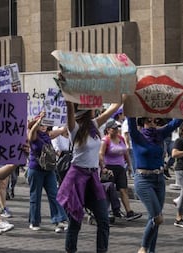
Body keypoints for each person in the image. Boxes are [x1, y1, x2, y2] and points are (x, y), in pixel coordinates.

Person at [57, 100, 122, 253]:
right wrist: (67, 91)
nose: (96, 109)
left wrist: (123, 93)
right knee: (75, 221)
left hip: (93, 177)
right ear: (86, 111)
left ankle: (101, 250)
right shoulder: (74, 128)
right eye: (92, 107)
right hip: (77, 177)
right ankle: (70, 250)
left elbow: (112, 108)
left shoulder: (94, 125)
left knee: (103, 219)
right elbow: (69, 109)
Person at [128, 116, 183, 253]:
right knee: (157, 218)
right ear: (142, 123)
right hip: (143, 180)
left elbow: (177, 121)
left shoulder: (160, 135)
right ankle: (143, 248)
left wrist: (182, 101)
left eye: (155, 121)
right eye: (148, 121)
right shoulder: (137, 136)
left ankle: (151, 251)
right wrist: (129, 101)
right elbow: (130, 119)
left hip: (159, 180)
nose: (152, 123)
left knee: (154, 218)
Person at [27, 111, 68, 233]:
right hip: (36, 170)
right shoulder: (33, 135)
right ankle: (34, 222)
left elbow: (63, 129)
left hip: (49, 170)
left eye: (45, 124)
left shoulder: (48, 135)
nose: (43, 126)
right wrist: (39, 120)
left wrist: (67, 115)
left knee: (54, 194)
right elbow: (31, 135)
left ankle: (59, 220)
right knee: (36, 196)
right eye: (41, 124)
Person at [99, 120, 141, 221]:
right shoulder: (105, 140)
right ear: (108, 130)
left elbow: (125, 152)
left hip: (120, 168)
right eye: (114, 128)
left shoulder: (121, 138)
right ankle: (107, 212)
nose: (116, 130)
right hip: (109, 168)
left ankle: (129, 212)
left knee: (123, 189)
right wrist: (103, 167)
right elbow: (101, 154)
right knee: (109, 190)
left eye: (117, 128)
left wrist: (130, 166)